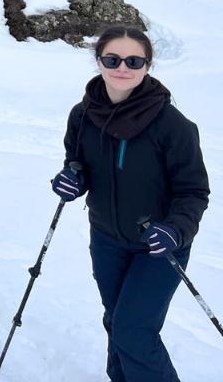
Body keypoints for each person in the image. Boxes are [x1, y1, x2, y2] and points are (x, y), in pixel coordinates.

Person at [51, 26, 209, 382]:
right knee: (117, 320)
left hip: (159, 246)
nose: (122, 68)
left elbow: (194, 191)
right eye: (113, 59)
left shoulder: (172, 125)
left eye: (134, 61)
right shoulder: (82, 115)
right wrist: (71, 180)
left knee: (134, 331)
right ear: (99, 61)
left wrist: (175, 230)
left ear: (148, 65)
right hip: (107, 239)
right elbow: (78, 165)